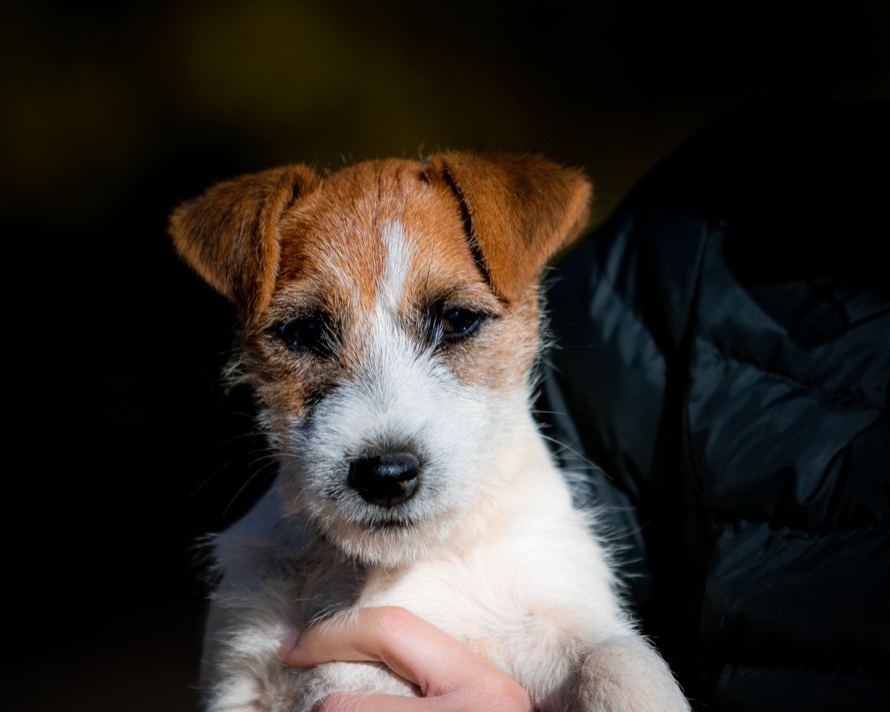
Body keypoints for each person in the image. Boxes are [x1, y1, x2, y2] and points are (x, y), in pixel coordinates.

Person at [280, 95, 890, 710]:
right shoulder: (694, 246)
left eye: (459, 321)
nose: (386, 431)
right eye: (304, 335)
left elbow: (580, 643)